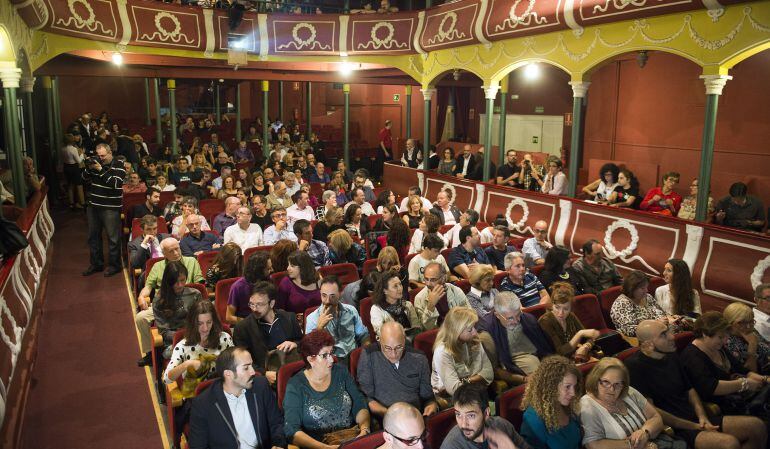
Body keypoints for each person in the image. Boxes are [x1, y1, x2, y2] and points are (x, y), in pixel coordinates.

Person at [626, 320, 768, 449]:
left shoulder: (671, 355)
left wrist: (702, 416)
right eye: (664, 334)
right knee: (729, 443)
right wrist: (694, 426)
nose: (671, 336)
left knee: (757, 427)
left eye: (669, 330)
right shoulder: (635, 367)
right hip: (674, 429)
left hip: (696, 419)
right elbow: (652, 412)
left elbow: (690, 389)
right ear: (648, 344)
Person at [283, 330, 371, 448]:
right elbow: (292, 430)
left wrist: (364, 430)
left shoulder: (341, 371)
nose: (331, 359)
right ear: (310, 359)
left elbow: (359, 403)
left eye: (331, 353)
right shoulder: (296, 386)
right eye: (325, 355)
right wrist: (325, 448)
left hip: (352, 440)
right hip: (318, 445)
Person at [188, 346, 286, 449]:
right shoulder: (203, 404)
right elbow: (198, 446)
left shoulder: (261, 386)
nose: (253, 372)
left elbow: (276, 422)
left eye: (251, 365)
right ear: (228, 374)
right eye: (246, 367)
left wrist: (278, 444)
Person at [681, 312, 770, 417]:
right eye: (720, 337)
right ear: (705, 334)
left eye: (726, 336)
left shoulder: (717, 347)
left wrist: (764, 379)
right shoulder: (692, 356)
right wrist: (744, 384)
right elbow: (711, 388)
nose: (725, 341)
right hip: (720, 407)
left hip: (738, 397)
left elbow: (742, 370)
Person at [135, 238, 205, 366]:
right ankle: (151, 353)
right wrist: (141, 297)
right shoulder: (157, 266)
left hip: (189, 302)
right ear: (164, 253)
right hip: (166, 303)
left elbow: (200, 284)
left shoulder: (191, 262)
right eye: (171, 251)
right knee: (141, 317)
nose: (176, 253)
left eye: (177, 249)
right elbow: (148, 286)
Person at [579, 357, 665, 449]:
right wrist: (635, 444)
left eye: (617, 384)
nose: (612, 389)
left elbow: (656, 417)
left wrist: (645, 433)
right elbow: (593, 444)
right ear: (596, 380)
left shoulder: (630, 392)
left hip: (658, 443)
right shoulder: (587, 405)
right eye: (606, 382)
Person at [357, 322, 437, 419]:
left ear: (404, 340)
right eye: (387, 348)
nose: (393, 354)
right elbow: (367, 398)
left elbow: (427, 397)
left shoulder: (419, 358)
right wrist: (389, 415)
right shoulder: (369, 355)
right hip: (384, 416)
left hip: (415, 416)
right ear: (379, 341)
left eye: (399, 347)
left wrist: (430, 406)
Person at [233, 282, 302, 385]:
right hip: (265, 380)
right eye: (251, 304)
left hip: (293, 374)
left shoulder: (289, 318)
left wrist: (295, 344)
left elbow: (302, 343)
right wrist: (264, 373)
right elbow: (242, 361)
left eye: (259, 304)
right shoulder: (242, 328)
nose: (254, 309)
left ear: (272, 303)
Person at [477, 291, 553, 384]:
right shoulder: (486, 334)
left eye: (518, 315)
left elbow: (546, 349)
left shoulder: (528, 319)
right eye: (510, 318)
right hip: (512, 365)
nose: (516, 321)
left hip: (539, 360)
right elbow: (493, 369)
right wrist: (524, 379)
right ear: (497, 315)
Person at [163, 300, 234, 385]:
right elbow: (167, 379)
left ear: (213, 321)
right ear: (193, 323)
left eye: (209, 322)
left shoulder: (225, 338)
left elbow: (236, 364)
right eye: (200, 324)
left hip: (224, 389)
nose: (205, 328)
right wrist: (187, 364)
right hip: (196, 393)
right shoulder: (182, 346)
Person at [440, 383, 530, 449]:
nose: (463, 424)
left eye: (471, 416)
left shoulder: (502, 425)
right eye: (458, 414)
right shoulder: (452, 445)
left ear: (486, 413)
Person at [431, 307, 493, 402]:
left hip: (476, 393)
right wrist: (477, 378)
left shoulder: (473, 339)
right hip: (450, 399)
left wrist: (466, 381)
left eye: (474, 327)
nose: (475, 332)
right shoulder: (442, 351)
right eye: (470, 329)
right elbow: (454, 389)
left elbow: (488, 373)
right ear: (457, 331)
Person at [82, 143, 126, 277]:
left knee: (113, 238)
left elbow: (115, 183)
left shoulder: (118, 165)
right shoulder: (95, 164)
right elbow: (83, 179)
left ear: (110, 153)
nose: (100, 158)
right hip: (93, 205)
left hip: (110, 207)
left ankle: (115, 266)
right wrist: (89, 168)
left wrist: (101, 170)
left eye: (103, 156)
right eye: (98, 155)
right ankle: (96, 264)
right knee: (93, 237)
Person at [520, 356, 583, 449]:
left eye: (575, 386)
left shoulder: (568, 405)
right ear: (551, 387)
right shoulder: (533, 420)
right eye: (567, 387)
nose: (573, 393)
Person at [304, 276, 370, 363]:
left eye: (332, 296)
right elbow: (310, 350)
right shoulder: (312, 318)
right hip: (331, 362)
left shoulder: (351, 310)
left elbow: (363, 336)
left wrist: (366, 354)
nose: (327, 301)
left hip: (354, 357)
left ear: (340, 293)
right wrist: (319, 328)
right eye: (324, 296)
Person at [152, 262, 203, 358]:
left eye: (183, 280)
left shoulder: (195, 294)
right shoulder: (159, 301)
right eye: (175, 282)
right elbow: (164, 332)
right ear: (168, 281)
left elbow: (203, 318)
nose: (180, 285)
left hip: (197, 335)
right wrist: (184, 336)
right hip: (174, 341)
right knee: (180, 353)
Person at [537, 282, 600, 358]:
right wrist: (579, 334)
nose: (561, 313)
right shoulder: (545, 321)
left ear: (571, 308)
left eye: (566, 309)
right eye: (557, 307)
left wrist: (586, 346)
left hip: (575, 357)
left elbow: (589, 337)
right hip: (557, 362)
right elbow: (560, 353)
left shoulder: (570, 316)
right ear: (552, 305)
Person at [610, 270, 674, 337]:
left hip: (662, 333)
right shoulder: (621, 303)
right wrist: (656, 324)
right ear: (631, 288)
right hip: (644, 341)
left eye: (646, 287)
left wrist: (671, 318)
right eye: (642, 288)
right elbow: (628, 330)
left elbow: (662, 314)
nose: (646, 290)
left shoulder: (648, 297)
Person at [226, 252, 273, 325]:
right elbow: (229, 317)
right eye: (268, 269)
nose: (272, 270)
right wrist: (250, 323)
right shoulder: (237, 287)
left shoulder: (269, 281)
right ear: (258, 271)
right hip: (246, 324)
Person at [370, 271, 420, 339]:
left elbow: (417, 328)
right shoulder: (377, 309)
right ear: (385, 291)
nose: (400, 288)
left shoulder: (408, 305)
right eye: (395, 286)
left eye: (400, 284)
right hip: (390, 344)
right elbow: (381, 333)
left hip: (411, 340)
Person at [724, 302, 770, 375]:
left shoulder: (751, 331)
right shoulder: (726, 342)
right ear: (729, 323)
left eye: (751, 321)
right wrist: (752, 346)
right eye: (741, 323)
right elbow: (749, 374)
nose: (748, 326)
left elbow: (767, 347)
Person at [61, 133, 85, 209]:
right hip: (74, 167)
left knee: (70, 185)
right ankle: (82, 203)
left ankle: (71, 203)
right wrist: (82, 154)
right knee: (79, 185)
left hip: (66, 167)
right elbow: (78, 161)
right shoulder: (73, 149)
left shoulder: (62, 149)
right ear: (72, 140)